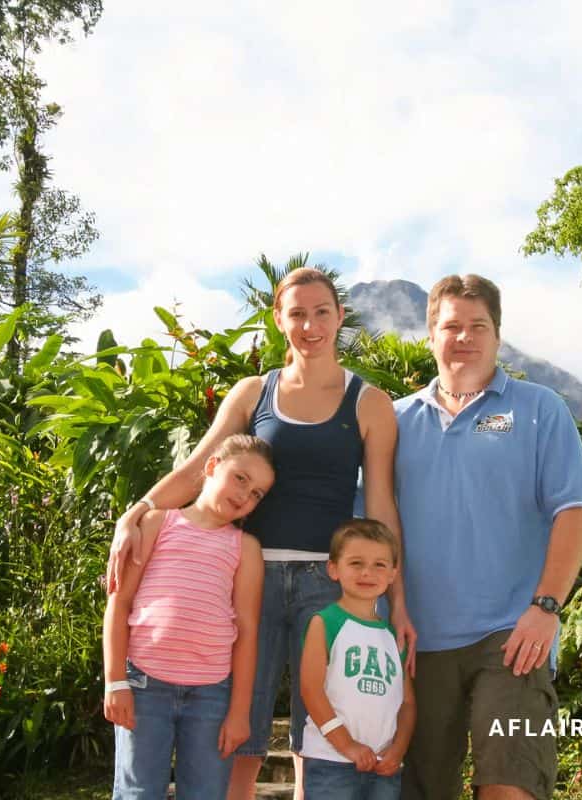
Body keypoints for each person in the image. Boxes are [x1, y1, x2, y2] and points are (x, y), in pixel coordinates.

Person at [107, 267, 415, 800]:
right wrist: (134, 514)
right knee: (241, 721)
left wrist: (398, 602)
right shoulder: (254, 392)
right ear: (279, 320)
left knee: (319, 726)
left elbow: (383, 507)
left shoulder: (369, 403)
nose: (310, 325)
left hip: (330, 582)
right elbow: (199, 467)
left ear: (340, 317)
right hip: (251, 574)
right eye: (297, 313)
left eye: (322, 312)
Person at [393, 275, 582, 800]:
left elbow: (573, 512)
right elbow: (371, 533)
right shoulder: (393, 422)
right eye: (451, 326)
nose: (464, 337)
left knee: (510, 787)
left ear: (497, 336)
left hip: (512, 640)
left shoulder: (538, 409)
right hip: (417, 645)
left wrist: (546, 607)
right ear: (430, 335)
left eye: (477, 325)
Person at [103, 433, 274, 799]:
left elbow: (247, 630)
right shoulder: (156, 524)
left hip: (211, 695)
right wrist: (115, 681)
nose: (246, 495)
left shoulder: (245, 548)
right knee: (138, 792)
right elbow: (119, 603)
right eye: (241, 478)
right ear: (211, 466)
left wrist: (239, 711)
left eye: (257, 493)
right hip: (145, 686)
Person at [299, 519, 416, 800]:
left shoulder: (393, 636)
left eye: (379, 564)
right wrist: (347, 745)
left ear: (393, 574)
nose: (367, 572)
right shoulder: (325, 623)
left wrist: (398, 750)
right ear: (333, 569)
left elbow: (408, 704)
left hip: (382, 768)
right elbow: (311, 690)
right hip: (332, 763)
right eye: (355, 563)